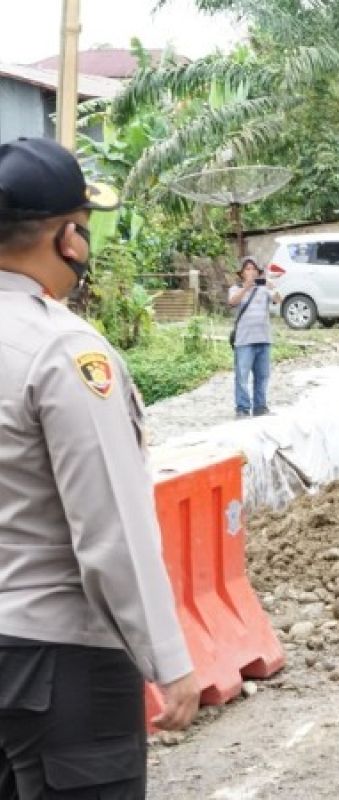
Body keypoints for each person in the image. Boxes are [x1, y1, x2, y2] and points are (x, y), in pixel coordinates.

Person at [0, 137, 199, 797]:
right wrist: (167, 661)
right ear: (68, 239)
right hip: (60, 665)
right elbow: (111, 526)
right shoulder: (63, 350)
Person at [228, 257, 281, 418]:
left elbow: (278, 300)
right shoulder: (235, 288)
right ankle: (243, 408)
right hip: (244, 339)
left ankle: (260, 406)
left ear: (258, 272)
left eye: (253, 269)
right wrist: (245, 288)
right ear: (242, 273)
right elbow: (232, 301)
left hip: (263, 338)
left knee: (262, 375)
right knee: (242, 376)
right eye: (247, 269)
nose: (250, 272)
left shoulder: (264, 288)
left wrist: (273, 286)